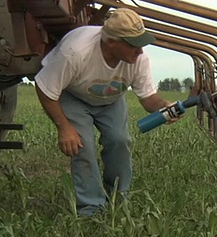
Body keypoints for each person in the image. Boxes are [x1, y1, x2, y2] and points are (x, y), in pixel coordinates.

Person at [35, 8, 178, 216]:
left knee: (119, 141)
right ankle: (91, 207)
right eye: (133, 45)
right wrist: (64, 128)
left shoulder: (139, 59)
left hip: (111, 100)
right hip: (73, 96)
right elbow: (45, 88)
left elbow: (148, 99)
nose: (139, 51)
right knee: (82, 145)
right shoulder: (75, 52)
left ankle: (118, 200)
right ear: (111, 42)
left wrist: (163, 105)